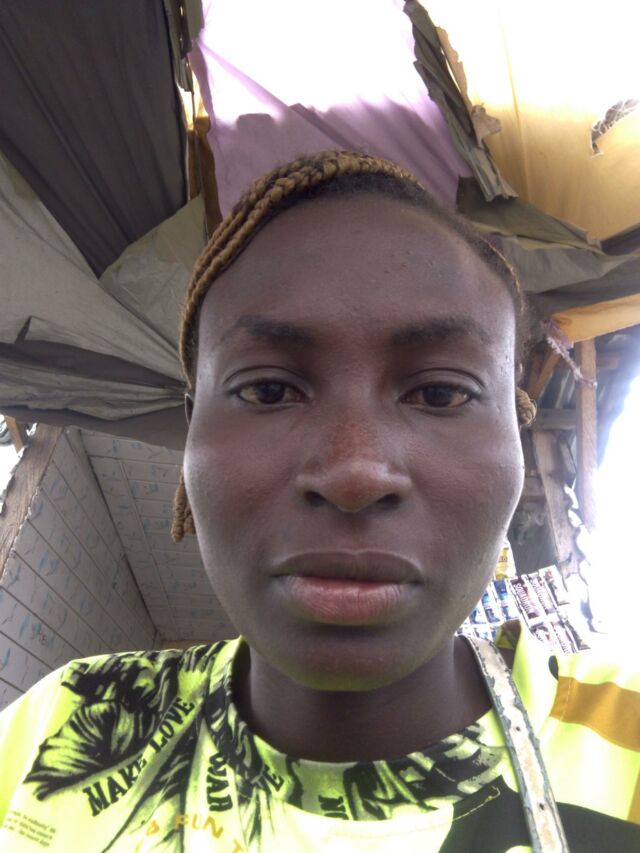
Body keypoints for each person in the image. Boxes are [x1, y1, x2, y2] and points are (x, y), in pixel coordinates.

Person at [0, 151, 638, 852]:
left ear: (515, 436)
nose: (353, 473)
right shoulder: (51, 737)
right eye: (268, 390)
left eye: (440, 392)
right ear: (191, 431)